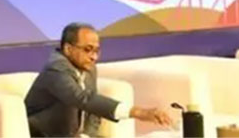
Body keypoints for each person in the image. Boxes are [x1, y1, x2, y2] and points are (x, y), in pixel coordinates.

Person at [25, 22, 172, 137]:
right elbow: (82, 99)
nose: (94, 57)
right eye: (88, 50)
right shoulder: (55, 69)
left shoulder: (88, 68)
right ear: (68, 49)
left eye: (96, 50)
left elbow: (92, 110)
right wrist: (138, 112)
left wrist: (87, 135)